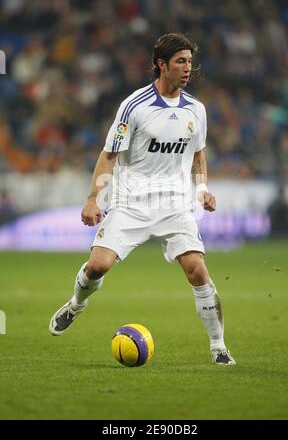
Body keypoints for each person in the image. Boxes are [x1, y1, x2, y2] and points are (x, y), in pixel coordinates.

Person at [49, 33, 236, 365]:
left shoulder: (197, 109)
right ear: (161, 65)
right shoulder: (134, 106)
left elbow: (198, 155)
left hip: (175, 204)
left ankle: (219, 347)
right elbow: (109, 156)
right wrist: (93, 198)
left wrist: (202, 189)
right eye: (180, 61)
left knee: (197, 270)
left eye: (190, 62)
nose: (187, 68)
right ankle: (76, 304)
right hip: (130, 202)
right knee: (97, 266)